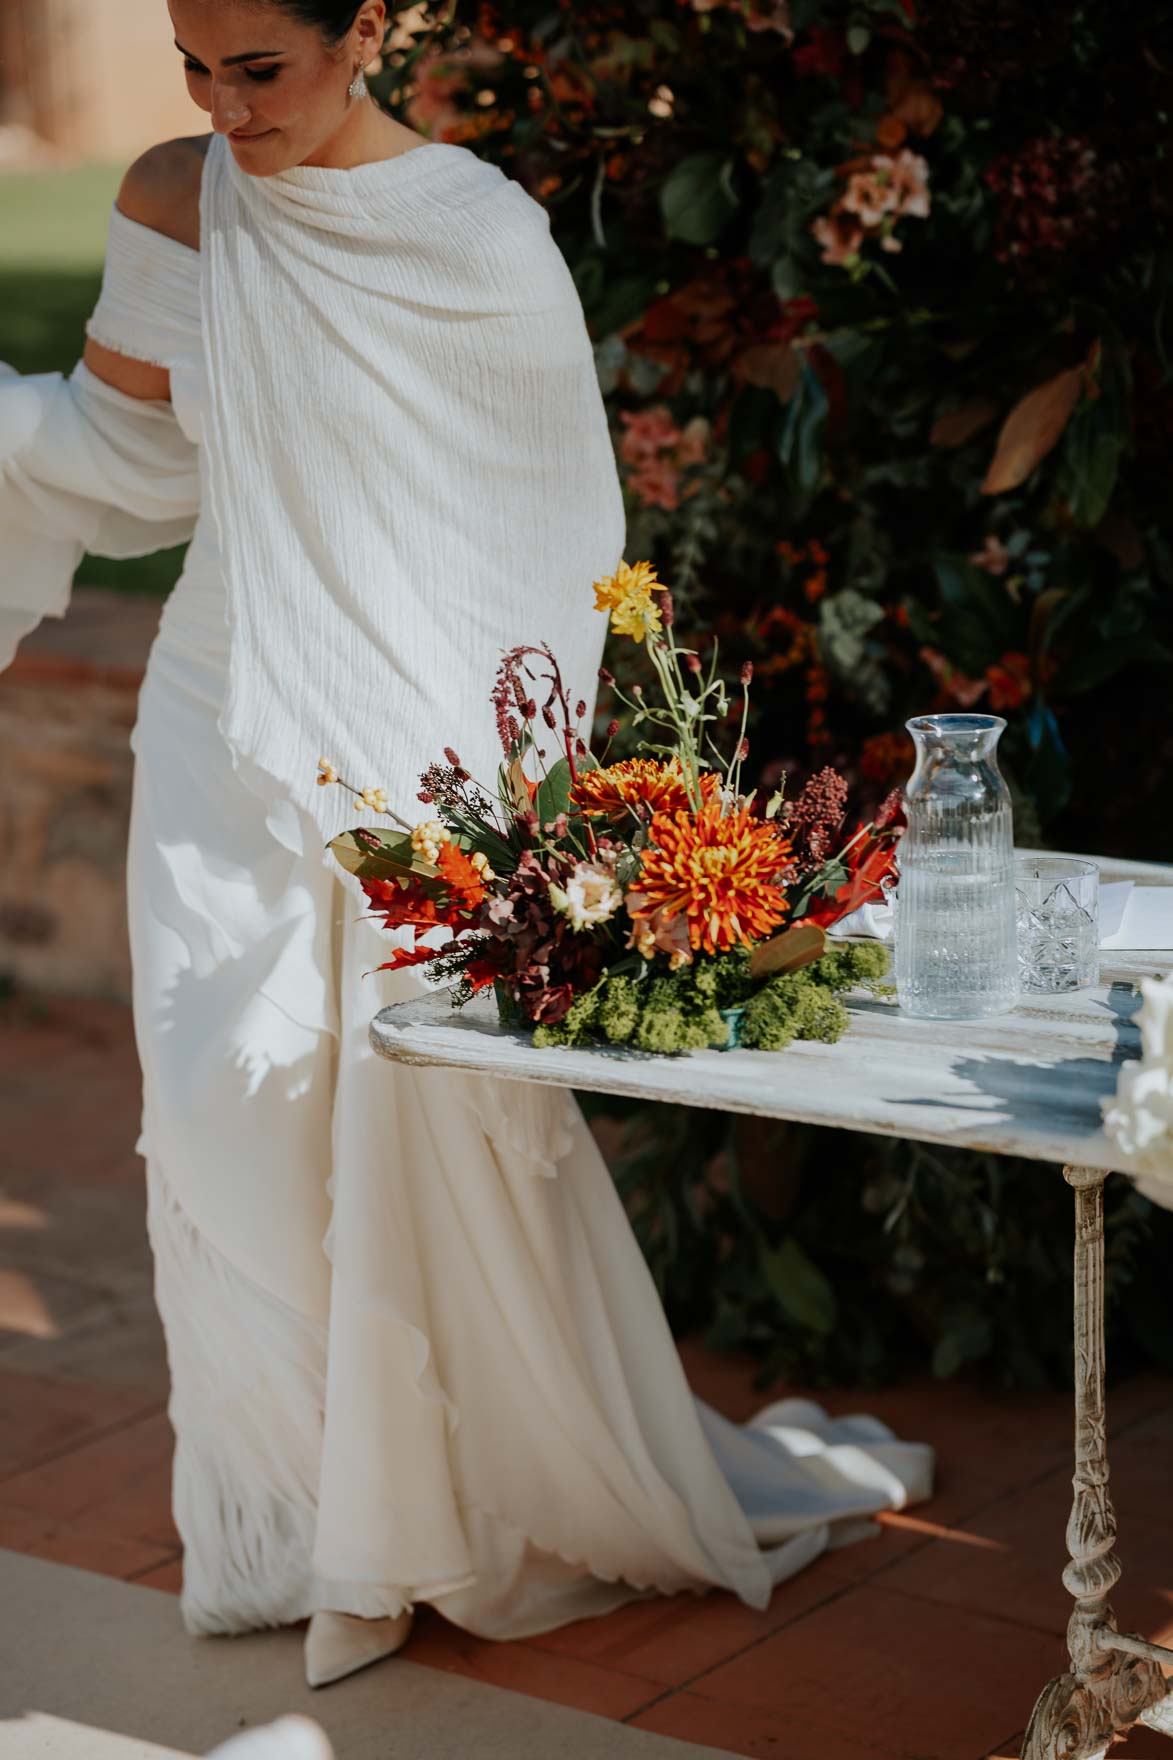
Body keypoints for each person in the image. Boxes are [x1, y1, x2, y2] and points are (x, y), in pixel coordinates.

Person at [0, 0, 932, 1692]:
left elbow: (538, 516)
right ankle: (295, 1515)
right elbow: (127, 455)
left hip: (423, 758)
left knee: (397, 1117)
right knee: (222, 1123)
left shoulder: (477, 236)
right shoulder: (167, 194)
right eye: (191, 68)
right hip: (222, 716)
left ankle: (435, 1511)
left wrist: (496, 811)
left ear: (362, 32)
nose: (222, 107)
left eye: (258, 69)